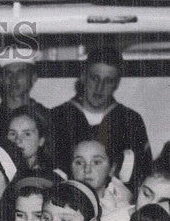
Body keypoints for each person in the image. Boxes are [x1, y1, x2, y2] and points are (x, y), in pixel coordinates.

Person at [48, 47, 152, 193]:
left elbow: (143, 173)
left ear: (116, 83)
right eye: (94, 78)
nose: (100, 87)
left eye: (108, 81)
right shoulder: (57, 117)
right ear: (83, 77)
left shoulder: (130, 120)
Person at [0, 53, 52, 142]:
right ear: (1, 79)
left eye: (21, 73)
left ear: (33, 77)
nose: (14, 79)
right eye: (8, 73)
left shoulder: (46, 116)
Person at [5, 107, 53, 173]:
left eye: (27, 134)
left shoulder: (53, 174)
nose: (18, 140)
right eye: (13, 134)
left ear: (41, 140)